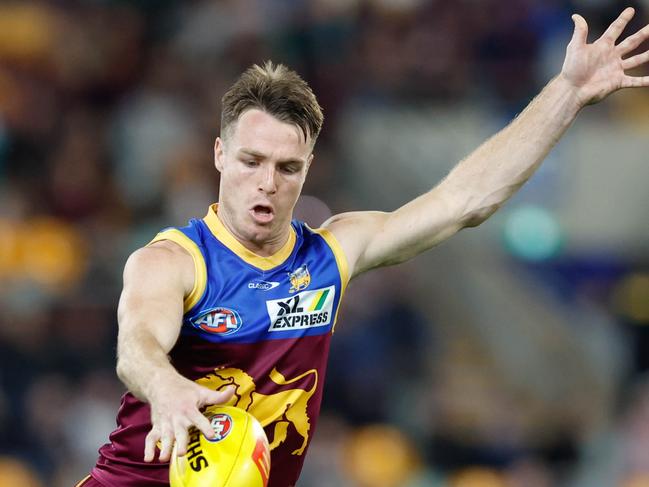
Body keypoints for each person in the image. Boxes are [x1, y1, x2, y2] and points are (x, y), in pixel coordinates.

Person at [78, 7, 649, 487]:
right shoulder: (173, 262)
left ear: (308, 170)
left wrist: (567, 92)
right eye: (251, 161)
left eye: (287, 167)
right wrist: (169, 389)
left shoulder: (331, 252)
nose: (267, 183)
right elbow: (137, 347)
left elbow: (465, 199)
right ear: (221, 155)